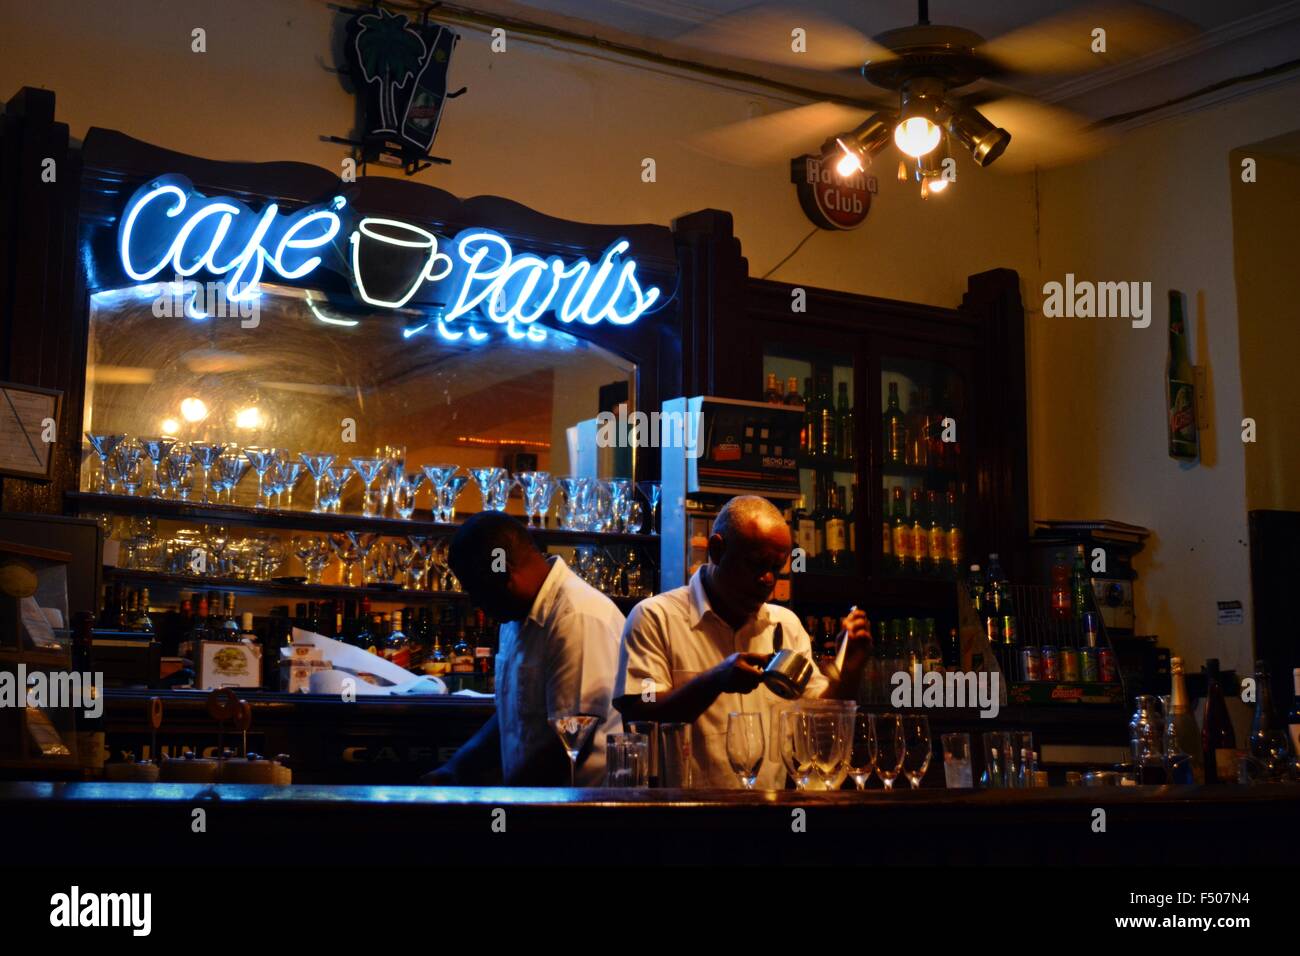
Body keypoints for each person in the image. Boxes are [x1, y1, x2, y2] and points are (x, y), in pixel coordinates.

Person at [614, 495, 870, 788]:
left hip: (767, 809)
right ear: (717, 550)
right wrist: (714, 681)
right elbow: (640, 708)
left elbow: (820, 730)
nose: (767, 580)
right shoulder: (656, 618)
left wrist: (850, 672)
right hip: (686, 811)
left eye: (776, 568)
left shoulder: (785, 626)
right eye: (756, 564)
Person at [423, 511, 625, 786]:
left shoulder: (577, 618)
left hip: (580, 807)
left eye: (476, 590)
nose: (475, 603)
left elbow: (569, 740)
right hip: (533, 801)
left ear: (504, 573)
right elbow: (513, 715)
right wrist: (454, 769)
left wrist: (504, 800)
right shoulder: (515, 617)